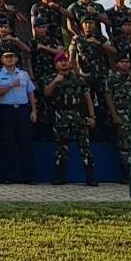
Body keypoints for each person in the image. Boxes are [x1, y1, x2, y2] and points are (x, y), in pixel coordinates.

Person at [45, 52, 96, 186]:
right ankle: (60, 177)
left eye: (65, 60)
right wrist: (56, 81)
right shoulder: (51, 77)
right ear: (56, 64)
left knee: (84, 148)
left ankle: (90, 177)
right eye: (60, 60)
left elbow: (88, 98)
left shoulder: (79, 79)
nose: (63, 63)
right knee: (61, 148)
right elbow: (46, 93)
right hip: (61, 116)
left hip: (78, 115)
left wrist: (92, 116)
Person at [0, 50, 36, 184]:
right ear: (2, 60)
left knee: (26, 142)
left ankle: (29, 177)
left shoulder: (24, 74)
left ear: (16, 59)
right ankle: (9, 176)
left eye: (12, 57)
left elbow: (31, 93)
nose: (9, 59)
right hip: (5, 110)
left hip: (22, 109)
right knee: (7, 142)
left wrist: (34, 110)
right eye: (6, 57)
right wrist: (11, 85)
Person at [104, 53, 131, 183]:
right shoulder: (112, 78)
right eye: (122, 62)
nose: (125, 64)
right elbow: (108, 97)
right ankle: (126, 175)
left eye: (128, 62)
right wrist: (114, 115)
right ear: (117, 64)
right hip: (121, 114)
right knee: (124, 145)